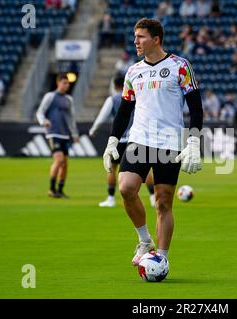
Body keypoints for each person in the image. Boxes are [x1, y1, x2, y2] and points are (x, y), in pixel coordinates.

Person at [102, 19, 203, 267]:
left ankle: (162, 259)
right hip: (139, 139)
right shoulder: (133, 71)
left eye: (141, 37)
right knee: (126, 188)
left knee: (164, 202)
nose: (136, 41)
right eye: (135, 36)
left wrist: (193, 142)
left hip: (169, 142)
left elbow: (196, 108)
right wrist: (113, 140)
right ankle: (145, 241)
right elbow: (124, 110)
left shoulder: (180, 66)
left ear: (156, 39)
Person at [89, 75, 156, 208]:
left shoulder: (112, 99)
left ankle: (111, 198)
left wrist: (93, 130)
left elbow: (102, 116)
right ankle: (153, 197)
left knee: (112, 168)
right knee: (146, 169)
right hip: (136, 139)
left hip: (119, 140)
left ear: (114, 86)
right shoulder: (137, 96)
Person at [36, 74, 80, 198]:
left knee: (65, 164)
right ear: (58, 83)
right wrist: (43, 121)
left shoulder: (69, 99)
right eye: (64, 83)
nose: (67, 86)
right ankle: (51, 188)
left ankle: (60, 190)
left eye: (68, 84)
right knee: (59, 160)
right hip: (53, 132)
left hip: (65, 134)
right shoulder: (50, 96)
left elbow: (71, 118)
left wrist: (74, 133)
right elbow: (40, 111)